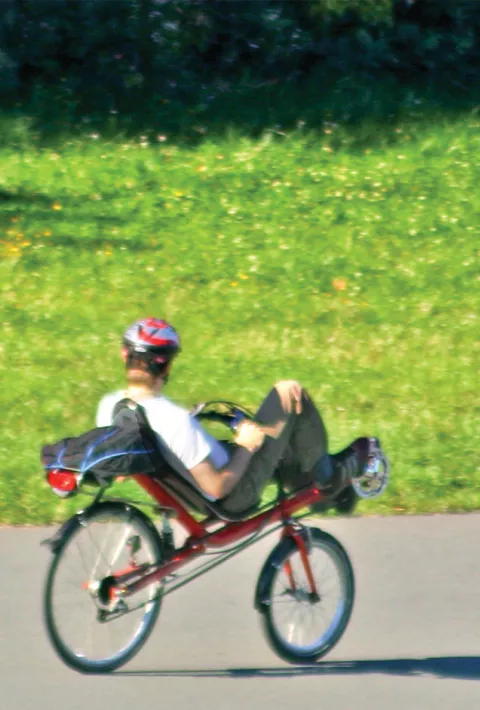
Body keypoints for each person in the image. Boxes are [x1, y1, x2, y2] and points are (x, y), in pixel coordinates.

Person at [96, 317, 385, 514]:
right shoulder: (173, 421)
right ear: (166, 365)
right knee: (289, 395)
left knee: (281, 447)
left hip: (187, 486)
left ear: (125, 355)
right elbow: (218, 487)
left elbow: (123, 467)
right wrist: (247, 446)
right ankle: (332, 483)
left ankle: (326, 488)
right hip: (233, 493)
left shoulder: (112, 407)